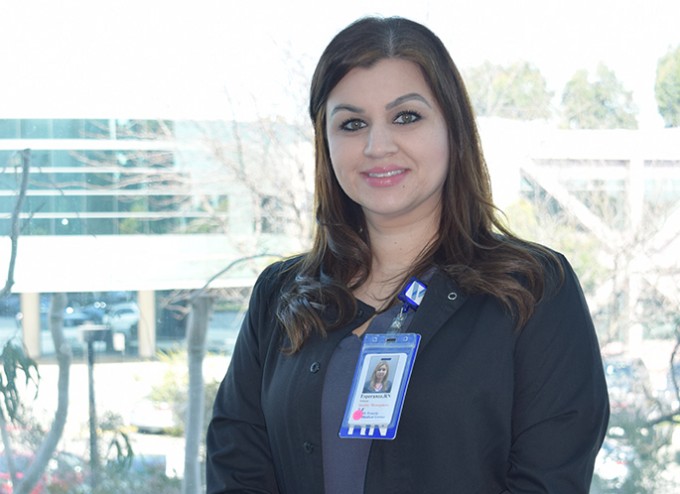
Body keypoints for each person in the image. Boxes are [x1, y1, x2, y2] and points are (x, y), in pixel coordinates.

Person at [206, 16, 609, 494]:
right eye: (352, 124)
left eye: (406, 117)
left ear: (452, 128)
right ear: (326, 143)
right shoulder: (279, 295)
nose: (378, 146)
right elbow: (238, 465)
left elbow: (550, 479)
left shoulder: (535, 290)